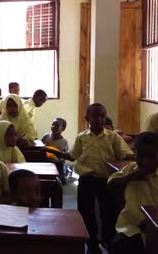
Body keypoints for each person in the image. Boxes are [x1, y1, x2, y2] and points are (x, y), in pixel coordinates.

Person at [52, 103, 134, 253]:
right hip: (86, 179)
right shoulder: (81, 138)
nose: (100, 119)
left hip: (106, 180)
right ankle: (92, 243)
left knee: (108, 212)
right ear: (87, 118)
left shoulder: (113, 137)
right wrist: (56, 153)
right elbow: (72, 155)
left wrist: (138, 155)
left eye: (102, 116)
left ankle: (108, 240)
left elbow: (125, 154)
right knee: (85, 212)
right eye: (95, 116)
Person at [108, 132, 158, 254]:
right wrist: (129, 178)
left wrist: (153, 223)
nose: (145, 161)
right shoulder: (130, 170)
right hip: (130, 226)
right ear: (135, 155)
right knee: (120, 245)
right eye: (141, 156)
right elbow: (111, 183)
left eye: (151, 156)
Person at [41, 118, 69, 183]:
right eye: (52, 124)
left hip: (57, 163)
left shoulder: (64, 142)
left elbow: (64, 157)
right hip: (45, 161)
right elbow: (40, 147)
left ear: (63, 128)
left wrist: (56, 160)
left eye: (57, 125)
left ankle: (63, 176)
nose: (53, 127)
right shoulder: (46, 137)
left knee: (60, 181)